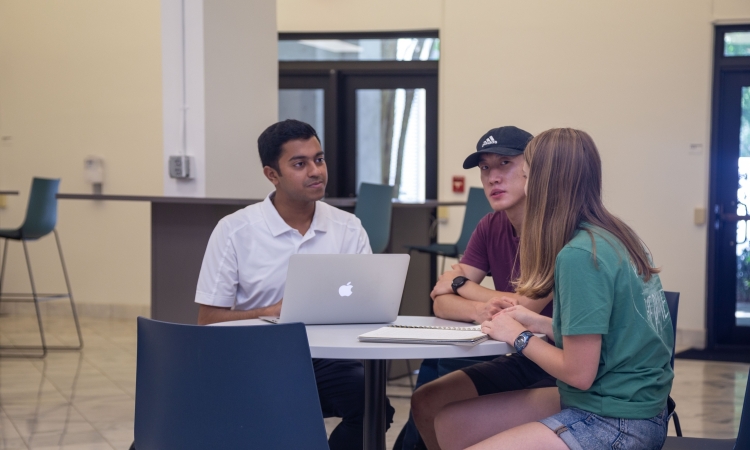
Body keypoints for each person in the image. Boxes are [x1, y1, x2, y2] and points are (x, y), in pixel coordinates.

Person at [433, 128, 674, 450]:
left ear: (543, 184)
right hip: (633, 405)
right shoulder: (613, 234)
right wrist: (538, 322)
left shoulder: (578, 255)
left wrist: (518, 336)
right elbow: (610, 336)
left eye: (527, 175)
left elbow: (578, 373)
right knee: (450, 423)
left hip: (615, 419)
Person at [194, 119, 394, 450]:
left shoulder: (348, 228)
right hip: (254, 362)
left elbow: (369, 304)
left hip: (326, 361)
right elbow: (208, 320)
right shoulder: (234, 231)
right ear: (272, 175)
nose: (316, 171)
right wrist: (269, 312)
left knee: (373, 408)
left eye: (319, 159)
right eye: (300, 164)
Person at [401, 126, 555, 450]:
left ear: (532, 169)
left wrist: (461, 283)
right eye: (485, 168)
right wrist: (479, 309)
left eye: (504, 164)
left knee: (452, 413)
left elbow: (525, 307)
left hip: (558, 362)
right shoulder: (490, 225)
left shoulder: (555, 227)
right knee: (425, 402)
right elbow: (440, 301)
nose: (492, 177)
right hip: (518, 356)